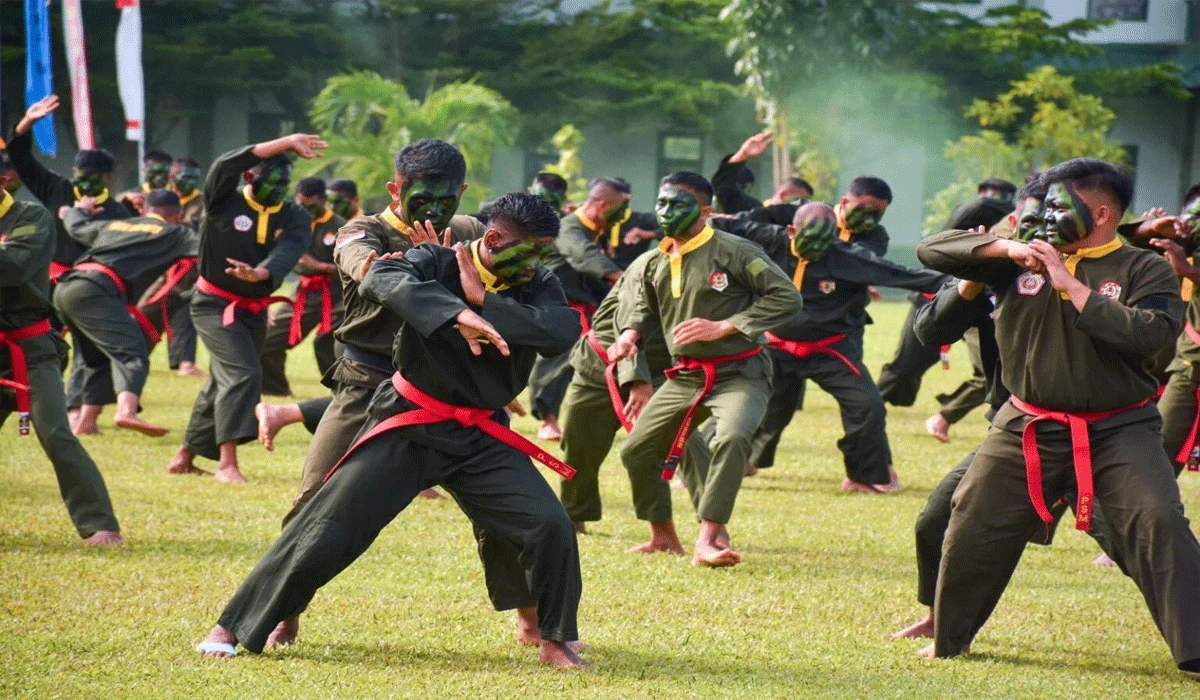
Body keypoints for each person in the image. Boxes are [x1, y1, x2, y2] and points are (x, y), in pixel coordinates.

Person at [195, 192, 588, 668]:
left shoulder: (536, 282)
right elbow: (381, 276)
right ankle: (231, 627)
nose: (537, 264)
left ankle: (553, 640)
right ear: (494, 238)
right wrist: (454, 311)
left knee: (549, 525)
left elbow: (561, 330)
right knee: (328, 523)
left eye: (544, 252)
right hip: (409, 423)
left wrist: (483, 302)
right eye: (530, 251)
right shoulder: (435, 262)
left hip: (480, 435)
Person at [916, 158, 1200, 672]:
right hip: (1024, 424)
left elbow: (1153, 339)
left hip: (1120, 430)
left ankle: (1196, 650)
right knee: (971, 515)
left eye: (1061, 207)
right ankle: (949, 637)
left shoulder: (1144, 267)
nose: (1048, 219)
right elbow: (932, 249)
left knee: (1158, 520)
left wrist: (1069, 285)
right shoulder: (1017, 261)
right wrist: (1006, 247)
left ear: (1103, 213)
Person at [281, 139, 485, 526]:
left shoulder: (469, 231)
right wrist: (388, 270)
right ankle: (280, 582)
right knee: (314, 502)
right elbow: (365, 266)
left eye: (447, 199)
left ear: (462, 192)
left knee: (516, 513)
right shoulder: (362, 231)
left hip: (444, 385)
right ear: (396, 189)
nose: (436, 209)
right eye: (423, 198)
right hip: (370, 380)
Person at [609, 171, 802, 567]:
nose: (665, 213)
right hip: (686, 376)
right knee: (637, 451)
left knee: (730, 437)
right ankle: (662, 535)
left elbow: (787, 297)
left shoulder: (735, 250)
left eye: (677, 205)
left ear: (705, 212)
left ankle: (709, 538)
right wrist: (629, 336)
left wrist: (726, 326)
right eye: (661, 204)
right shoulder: (654, 260)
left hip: (740, 371)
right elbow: (641, 307)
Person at [892, 176, 1043, 640]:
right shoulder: (984, 279)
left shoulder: (1079, 272)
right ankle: (939, 617)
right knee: (935, 520)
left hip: (1098, 432)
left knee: (1145, 538)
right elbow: (931, 331)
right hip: (1016, 431)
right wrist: (976, 279)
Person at [714, 200, 946, 491]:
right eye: (808, 240)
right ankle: (718, 465)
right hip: (775, 347)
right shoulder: (767, 239)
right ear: (790, 230)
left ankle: (863, 477)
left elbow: (905, 275)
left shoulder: (848, 257)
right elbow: (718, 226)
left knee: (868, 406)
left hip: (831, 350)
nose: (816, 249)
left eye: (825, 243)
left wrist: (966, 283)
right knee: (749, 405)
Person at [165, 134, 323, 482]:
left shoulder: (294, 215)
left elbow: (290, 250)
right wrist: (287, 141)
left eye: (286, 183)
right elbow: (225, 164)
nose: (280, 189)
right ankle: (227, 464)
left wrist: (261, 273)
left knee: (220, 381)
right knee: (244, 374)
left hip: (256, 308)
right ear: (250, 177)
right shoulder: (222, 200)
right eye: (272, 181)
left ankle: (184, 455)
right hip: (212, 304)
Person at [557, 249, 711, 549]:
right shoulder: (650, 265)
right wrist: (637, 381)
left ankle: (711, 526)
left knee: (684, 441)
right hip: (600, 366)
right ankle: (574, 516)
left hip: (660, 370)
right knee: (579, 447)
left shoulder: (720, 271)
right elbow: (624, 327)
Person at [0, 185, 123, 545]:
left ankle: (100, 525)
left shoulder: (29, 216)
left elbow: (13, 266)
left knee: (55, 430)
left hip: (29, 349)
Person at [55, 190, 199, 436]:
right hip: (97, 290)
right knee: (132, 350)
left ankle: (85, 423)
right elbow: (207, 248)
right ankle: (126, 412)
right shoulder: (176, 232)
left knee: (97, 358)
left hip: (66, 287)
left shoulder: (117, 224)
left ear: (144, 211)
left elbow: (78, 226)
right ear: (178, 216)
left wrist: (72, 211)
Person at [876, 178, 1016, 418]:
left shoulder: (1019, 222)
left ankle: (949, 412)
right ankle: (875, 402)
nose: (992, 196)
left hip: (985, 303)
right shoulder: (971, 212)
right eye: (988, 191)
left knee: (988, 372)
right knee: (907, 365)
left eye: (1001, 193)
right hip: (942, 297)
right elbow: (939, 252)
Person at [528, 177, 640, 441]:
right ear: (602, 205)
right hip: (556, 305)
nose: (623, 215)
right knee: (562, 357)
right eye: (620, 208)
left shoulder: (592, 231)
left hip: (584, 306)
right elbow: (584, 257)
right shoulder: (569, 227)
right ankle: (548, 421)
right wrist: (626, 280)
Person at [258, 177, 346, 396]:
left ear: (324, 200)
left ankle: (342, 393)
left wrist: (320, 266)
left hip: (337, 293)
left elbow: (354, 268)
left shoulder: (340, 226)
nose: (305, 210)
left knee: (326, 343)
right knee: (269, 338)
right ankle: (276, 390)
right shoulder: (292, 221)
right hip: (304, 291)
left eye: (311, 205)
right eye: (301, 205)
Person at [135, 157, 207, 379]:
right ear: (172, 177)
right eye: (186, 177)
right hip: (156, 268)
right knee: (146, 311)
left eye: (195, 178)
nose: (191, 182)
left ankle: (185, 363)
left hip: (187, 270)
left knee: (184, 315)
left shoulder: (203, 202)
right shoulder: (160, 197)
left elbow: (197, 228)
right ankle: (134, 357)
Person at [711, 130, 812, 226]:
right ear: (783, 195)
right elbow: (723, 187)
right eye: (797, 200)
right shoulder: (750, 209)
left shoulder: (794, 227)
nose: (801, 206)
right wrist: (742, 154)